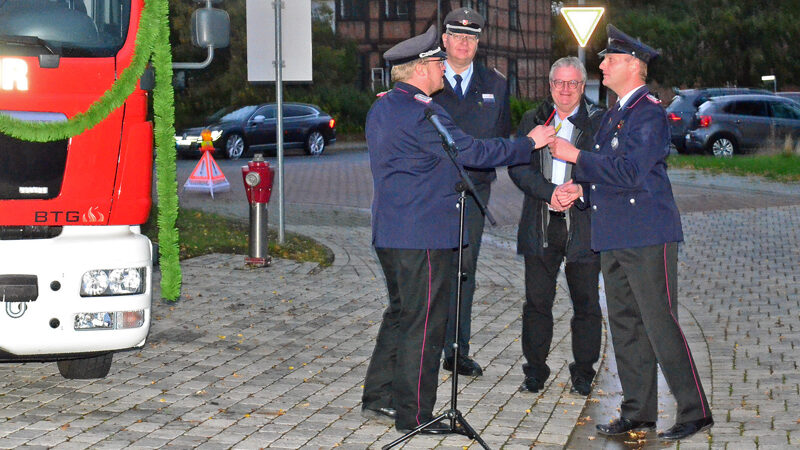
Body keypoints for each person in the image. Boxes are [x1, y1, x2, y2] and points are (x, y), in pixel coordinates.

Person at [360, 25, 554, 433]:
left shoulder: (384, 107)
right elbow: (472, 151)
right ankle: (415, 414)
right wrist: (529, 143)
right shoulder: (424, 111)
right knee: (424, 322)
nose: (443, 70)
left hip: (390, 232)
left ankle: (378, 395)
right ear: (420, 68)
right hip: (424, 235)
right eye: (437, 63)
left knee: (400, 313)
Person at [550, 24, 714, 441]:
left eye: (610, 59)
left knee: (659, 322)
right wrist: (580, 189)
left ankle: (695, 410)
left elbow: (630, 172)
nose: (601, 65)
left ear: (633, 66)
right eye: (603, 58)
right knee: (624, 325)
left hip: (646, 235)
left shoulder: (650, 114)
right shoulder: (614, 114)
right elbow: (609, 177)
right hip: (614, 235)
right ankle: (638, 411)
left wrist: (575, 157)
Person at [508, 56, 604, 396]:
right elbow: (518, 167)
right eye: (559, 83)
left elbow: (607, 170)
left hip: (583, 226)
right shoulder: (531, 119)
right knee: (536, 304)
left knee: (587, 304)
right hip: (541, 223)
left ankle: (584, 370)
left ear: (583, 86)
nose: (565, 90)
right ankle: (534, 371)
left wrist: (581, 191)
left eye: (573, 83)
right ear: (550, 86)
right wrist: (548, 193)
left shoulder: (599, 121)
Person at [433, 7, 512, 378]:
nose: (464, 43)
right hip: (431, 193)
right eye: (457, 36)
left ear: (478, 43)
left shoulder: (496, 83)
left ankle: (456, 349)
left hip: (474, 193)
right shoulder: (427, 78)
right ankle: (427, 345)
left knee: (465, 271)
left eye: (471, 38)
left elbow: (500, 139)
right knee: (431, 270)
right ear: (445, 40)